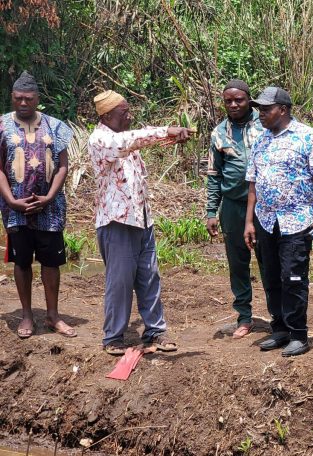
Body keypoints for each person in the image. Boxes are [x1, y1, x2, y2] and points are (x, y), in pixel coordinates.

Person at [88, 90, 193, 355]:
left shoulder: (125, 139)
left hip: (141, 218)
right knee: (120, 282)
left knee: (149, 277)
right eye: (124, 113)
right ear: (107, 116)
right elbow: (130, 140)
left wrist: (169, 137)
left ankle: (155, 332)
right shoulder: (101, 139)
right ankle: (114, 337)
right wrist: (165, 131)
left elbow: (137, 140)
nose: (130, 116)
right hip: (117, 221)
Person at [244, 87, 313, 357]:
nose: (260, 114)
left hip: (297, 220)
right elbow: (253, 184)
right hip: (266, 220)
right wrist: (249, 222)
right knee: (271, 277)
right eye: (259, 109)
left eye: (266, 109)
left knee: (293, 278)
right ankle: (280, 329)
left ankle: (298, 334)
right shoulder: (260, 141)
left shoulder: (307, 137)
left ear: (282, 109)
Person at [0, 71, 75, 339]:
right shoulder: (1, 126)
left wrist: (50, 197)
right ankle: (27, 315)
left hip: (50, 209)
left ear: (37, 98)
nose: (23, 103)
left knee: (51, 262)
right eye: (19, 98)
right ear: (12, 97)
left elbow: (63, 166)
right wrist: (11, 200)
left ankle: (53, 316)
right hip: (16, 210)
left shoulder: (55, 127)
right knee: (22, 262)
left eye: (29, 98)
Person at [206, 79, 263, 339]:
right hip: (232, 206)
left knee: (268, 261)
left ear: (249, 100)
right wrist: (211, 212)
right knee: (238, 264)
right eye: (228, 101)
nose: (233, 104)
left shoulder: (265, 124)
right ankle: (244, 316)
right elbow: (214, 175)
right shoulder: (219, 133)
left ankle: (279, 315)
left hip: (264, 206)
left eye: (238, 100)